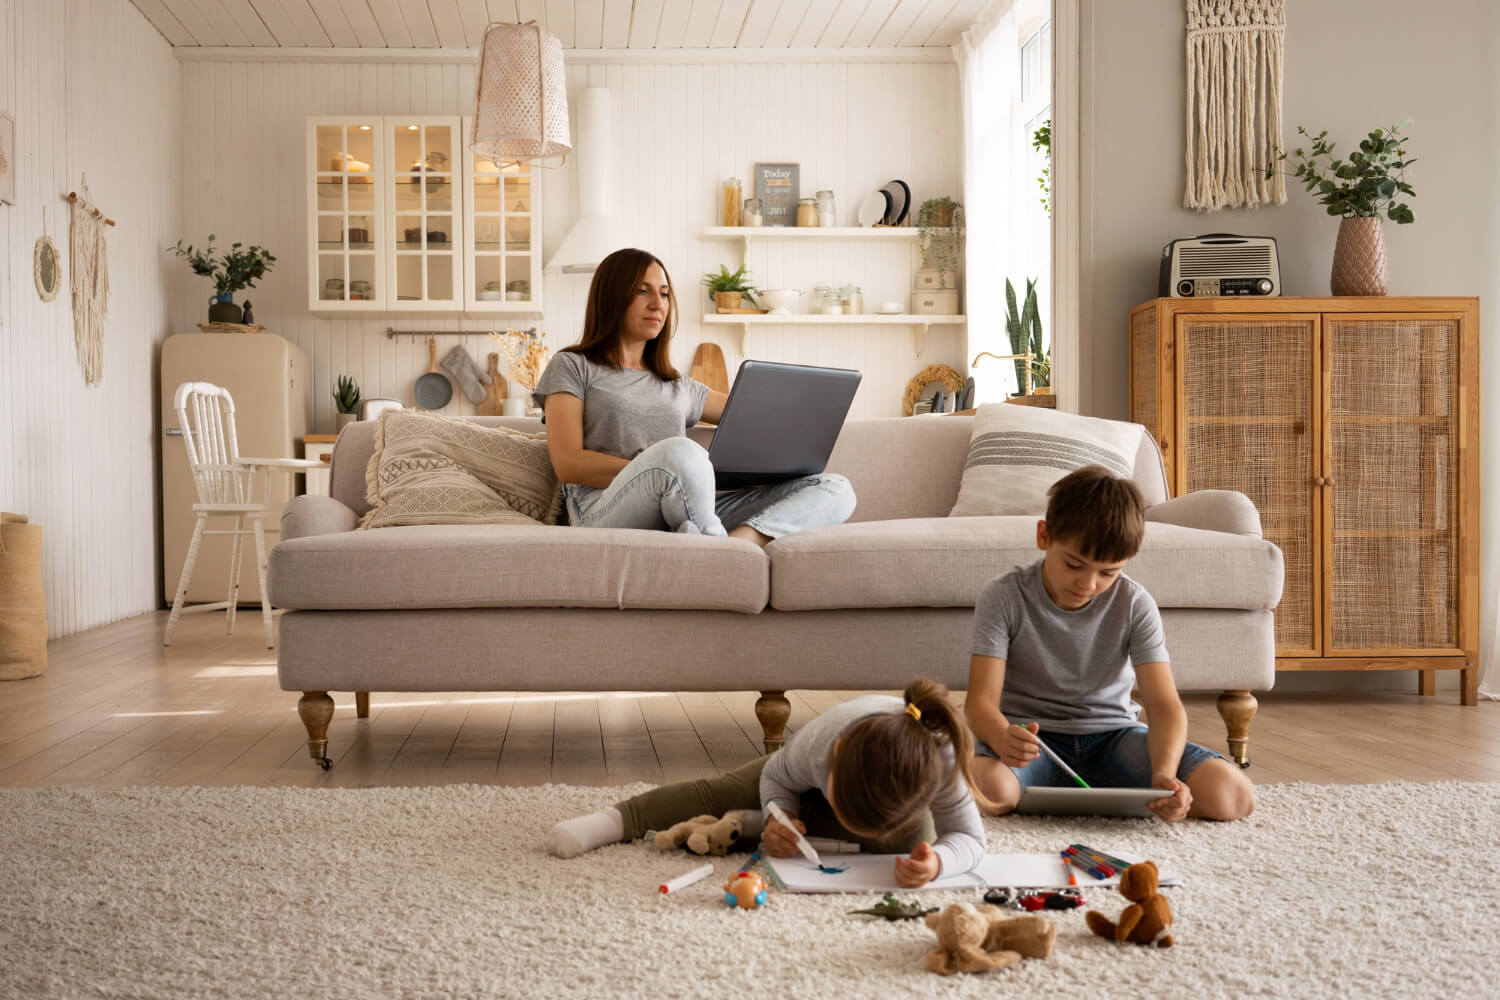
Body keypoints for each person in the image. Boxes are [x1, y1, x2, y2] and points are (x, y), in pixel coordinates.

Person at [965, 465, 1255, 822]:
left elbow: (1165, 706)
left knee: (1234, 796)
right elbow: (980, 703)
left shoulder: (1134, 603)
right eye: (1074, 564)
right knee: (988, 791)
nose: (1087, 584)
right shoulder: (1003, 596)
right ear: (1044, 536)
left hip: (1115, 738)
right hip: (1033, 746)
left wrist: (1163, 774)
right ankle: (1055, 789)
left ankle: (1062, 796)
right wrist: (1000, 736)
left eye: (1108, 572)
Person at [531, 247, 856, 547]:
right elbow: (568, 463)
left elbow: (752, 413)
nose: (658, 304)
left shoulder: (676, 383)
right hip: (601, 508)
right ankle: (715, 549)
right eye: (642, 291)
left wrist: (809, 412)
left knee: (836, 489)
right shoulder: (572, 366)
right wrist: (659, 471)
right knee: (682, 453)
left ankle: (740, 543)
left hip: (685, 502)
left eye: (664, 294)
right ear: (612, 297)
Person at [548, 679, 991, 888]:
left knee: (916, 843)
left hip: (884, 805)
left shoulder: (942, 760)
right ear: (834, 759)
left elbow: (970, 839)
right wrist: (783, 813)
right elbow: (776, 778)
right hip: (794, 775)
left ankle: (751, 825)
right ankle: (615, 819)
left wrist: (937, 865)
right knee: (721, 790)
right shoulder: (820, 744)